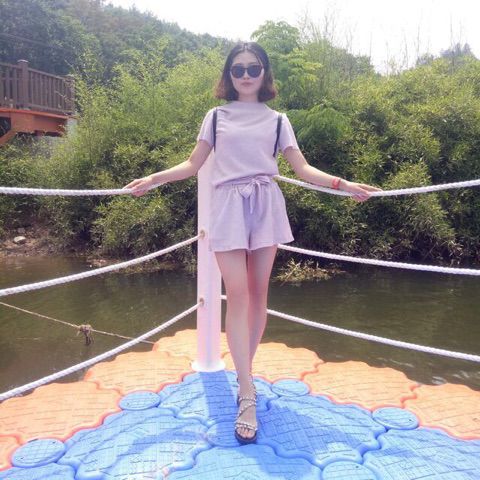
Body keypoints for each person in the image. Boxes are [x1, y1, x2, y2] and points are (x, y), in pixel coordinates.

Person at [123, 41, 382, 444]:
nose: (245, 75)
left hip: (265, 202)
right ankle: (246, 391)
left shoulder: (278, 120)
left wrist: (342, 184)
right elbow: (194, 164)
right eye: (238, 69)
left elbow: (302, 168)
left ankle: (244, 371)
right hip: (227, 204)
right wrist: (154, 178)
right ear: (229, 75)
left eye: (253, 68)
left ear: (265, 73)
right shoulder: (216, 116)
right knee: (238, 294)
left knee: (259, 295)